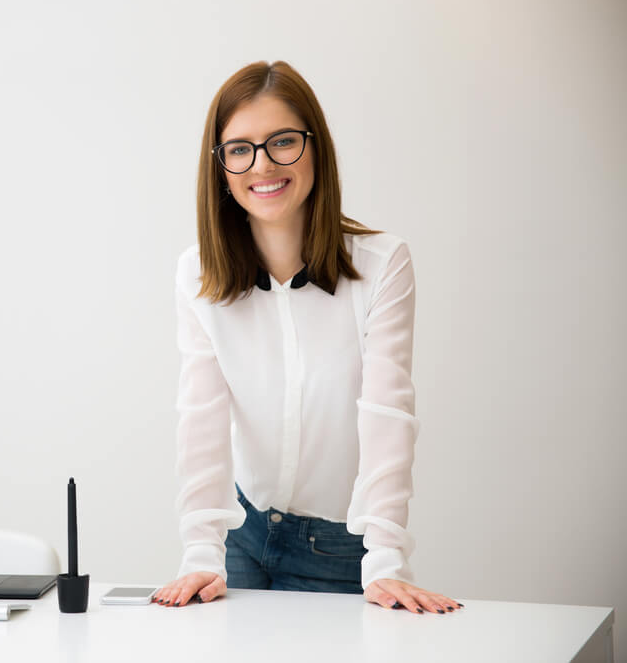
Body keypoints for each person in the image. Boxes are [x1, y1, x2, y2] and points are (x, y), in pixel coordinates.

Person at [153, 61, 461, 615]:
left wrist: (385, 557)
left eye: (283, 142)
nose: (263, 164)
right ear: (220, 166)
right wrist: (200, 550)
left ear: (315, 147)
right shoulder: (196, 273)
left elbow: (388, 416)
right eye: (240, 149)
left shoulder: (382, 264)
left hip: (339, 548)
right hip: (240, 539)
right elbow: (201, 417)